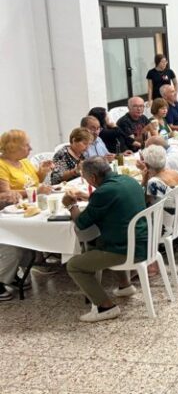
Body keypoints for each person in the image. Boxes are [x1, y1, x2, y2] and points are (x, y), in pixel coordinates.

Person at [63, 157, 148, 322]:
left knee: (74, 265)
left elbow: (81, 223)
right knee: (101, 241)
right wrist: (90, 197)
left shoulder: (103, 193)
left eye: (87, 179)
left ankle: (105, 307)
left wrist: (70, 205)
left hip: (125, 249)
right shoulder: (128, 180)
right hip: (144, 241)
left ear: (93, 178)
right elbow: (114, 199)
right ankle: (125, 285)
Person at [0, 130, 53, 197]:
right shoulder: (2, 165)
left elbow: (35, 182)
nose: (31, 148)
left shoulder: (23, 160)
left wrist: (43, 171)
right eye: (26, 145)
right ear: (12, 147)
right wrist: (36, 192)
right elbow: (5, 193)